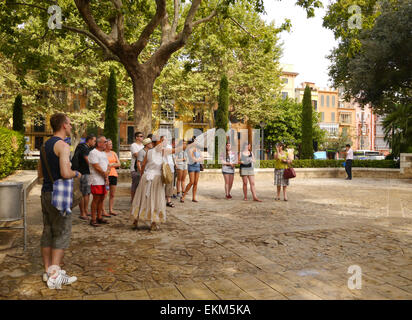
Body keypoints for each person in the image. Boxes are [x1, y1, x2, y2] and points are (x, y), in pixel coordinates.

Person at [37, 113, 80, 289]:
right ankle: (55, 276)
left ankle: (48, 271)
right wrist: (76, 173)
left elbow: (40, 174)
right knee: (62, 232)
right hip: (59, 195)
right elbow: (65, 173)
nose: (70, 127)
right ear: (63, 125)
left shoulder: (44, 146)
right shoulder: (63, 146)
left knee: (47, 231)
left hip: (46, 192)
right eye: (69, 124)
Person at [131, 135, 168, 231]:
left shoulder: (155, 152)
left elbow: (143, 165)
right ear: (157, 143)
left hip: (152, 178)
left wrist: (143, 175)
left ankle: (149, 221)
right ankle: (146, 221)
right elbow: (142, 165)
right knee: (151, 199)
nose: (163, 143)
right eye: (162, 141)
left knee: (146, 199)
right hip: (151, 179)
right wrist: (143, 177)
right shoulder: (154, 152)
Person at [72, 134, 96, 220]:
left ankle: (85, 211)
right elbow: (87, 160)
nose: (95, 142)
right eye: (94, 141)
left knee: (86, 193)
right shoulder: (84, 148)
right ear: (89, 140)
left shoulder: (81, 147)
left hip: (81, 173)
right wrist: (96, 168)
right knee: (84, 193)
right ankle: (83, 213)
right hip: (83, 173)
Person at [88, 136, 110, 227]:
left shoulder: (103, 153)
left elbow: (107, 165)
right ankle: (93, 219)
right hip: (96, 179)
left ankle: (99, 217)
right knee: (96, 199)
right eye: (105, 142)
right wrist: (104, 174)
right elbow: (96, 166)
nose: (106, 143)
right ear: (99, 143)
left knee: (102, 198)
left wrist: (106, 176)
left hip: (103, 179)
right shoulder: (93, 153)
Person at [101, 139, 121, 217]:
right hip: (106, 175)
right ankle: (103, 210)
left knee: (112, 194)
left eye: (111, 144)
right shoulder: (102, 154)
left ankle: (111, 209)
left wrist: (111, 164)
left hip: (114, 175)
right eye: (109, 144)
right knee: (105, 194)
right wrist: (112, 164)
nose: (111, 145)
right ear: (105, 145)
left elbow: (119, 163)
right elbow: (103, 164)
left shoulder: (113, 153)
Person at [130, 131, 144, 202]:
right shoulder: (133, 145)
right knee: (135, 185)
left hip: (143, 168)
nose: (142, 138)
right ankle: (132, 200)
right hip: (135, 168)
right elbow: (136, 155)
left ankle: (139, 201)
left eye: (142, 136)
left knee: (141, 186)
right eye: (141, 136)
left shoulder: (143, 146)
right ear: (136, 137)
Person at [165, 137, 176, 208]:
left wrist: (175, 163)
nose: (165, 141)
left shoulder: (169, 146)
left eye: (166, 139)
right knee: (163, 185)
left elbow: (173, 155)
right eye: (163, 140)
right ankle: (161, 200)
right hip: (163, 167)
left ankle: (169, 201)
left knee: (170, 185)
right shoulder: (158, 147)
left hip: (171, 167)